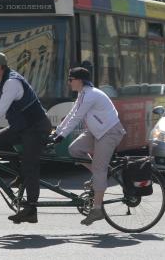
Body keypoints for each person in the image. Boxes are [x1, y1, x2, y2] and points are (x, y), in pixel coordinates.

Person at [0, 52, 52, 224]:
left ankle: (31, 210)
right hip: (22, 127)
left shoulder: (12, 82)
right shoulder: (2, 82)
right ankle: (20, 173)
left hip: (36, 128)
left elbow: (0, 110)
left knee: (30, 167)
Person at [51, 67, 126, 226]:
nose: (69, 82)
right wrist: (57, 132)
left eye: (71, 79)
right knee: (74, 149)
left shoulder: (91, 94)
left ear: (80, 80)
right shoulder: (83, 93)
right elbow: (72, 113)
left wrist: (62, 136)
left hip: (110, 132)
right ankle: (100, 176)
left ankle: (97, 209)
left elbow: (77, 117)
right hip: (96, 131)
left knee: (99, 169)